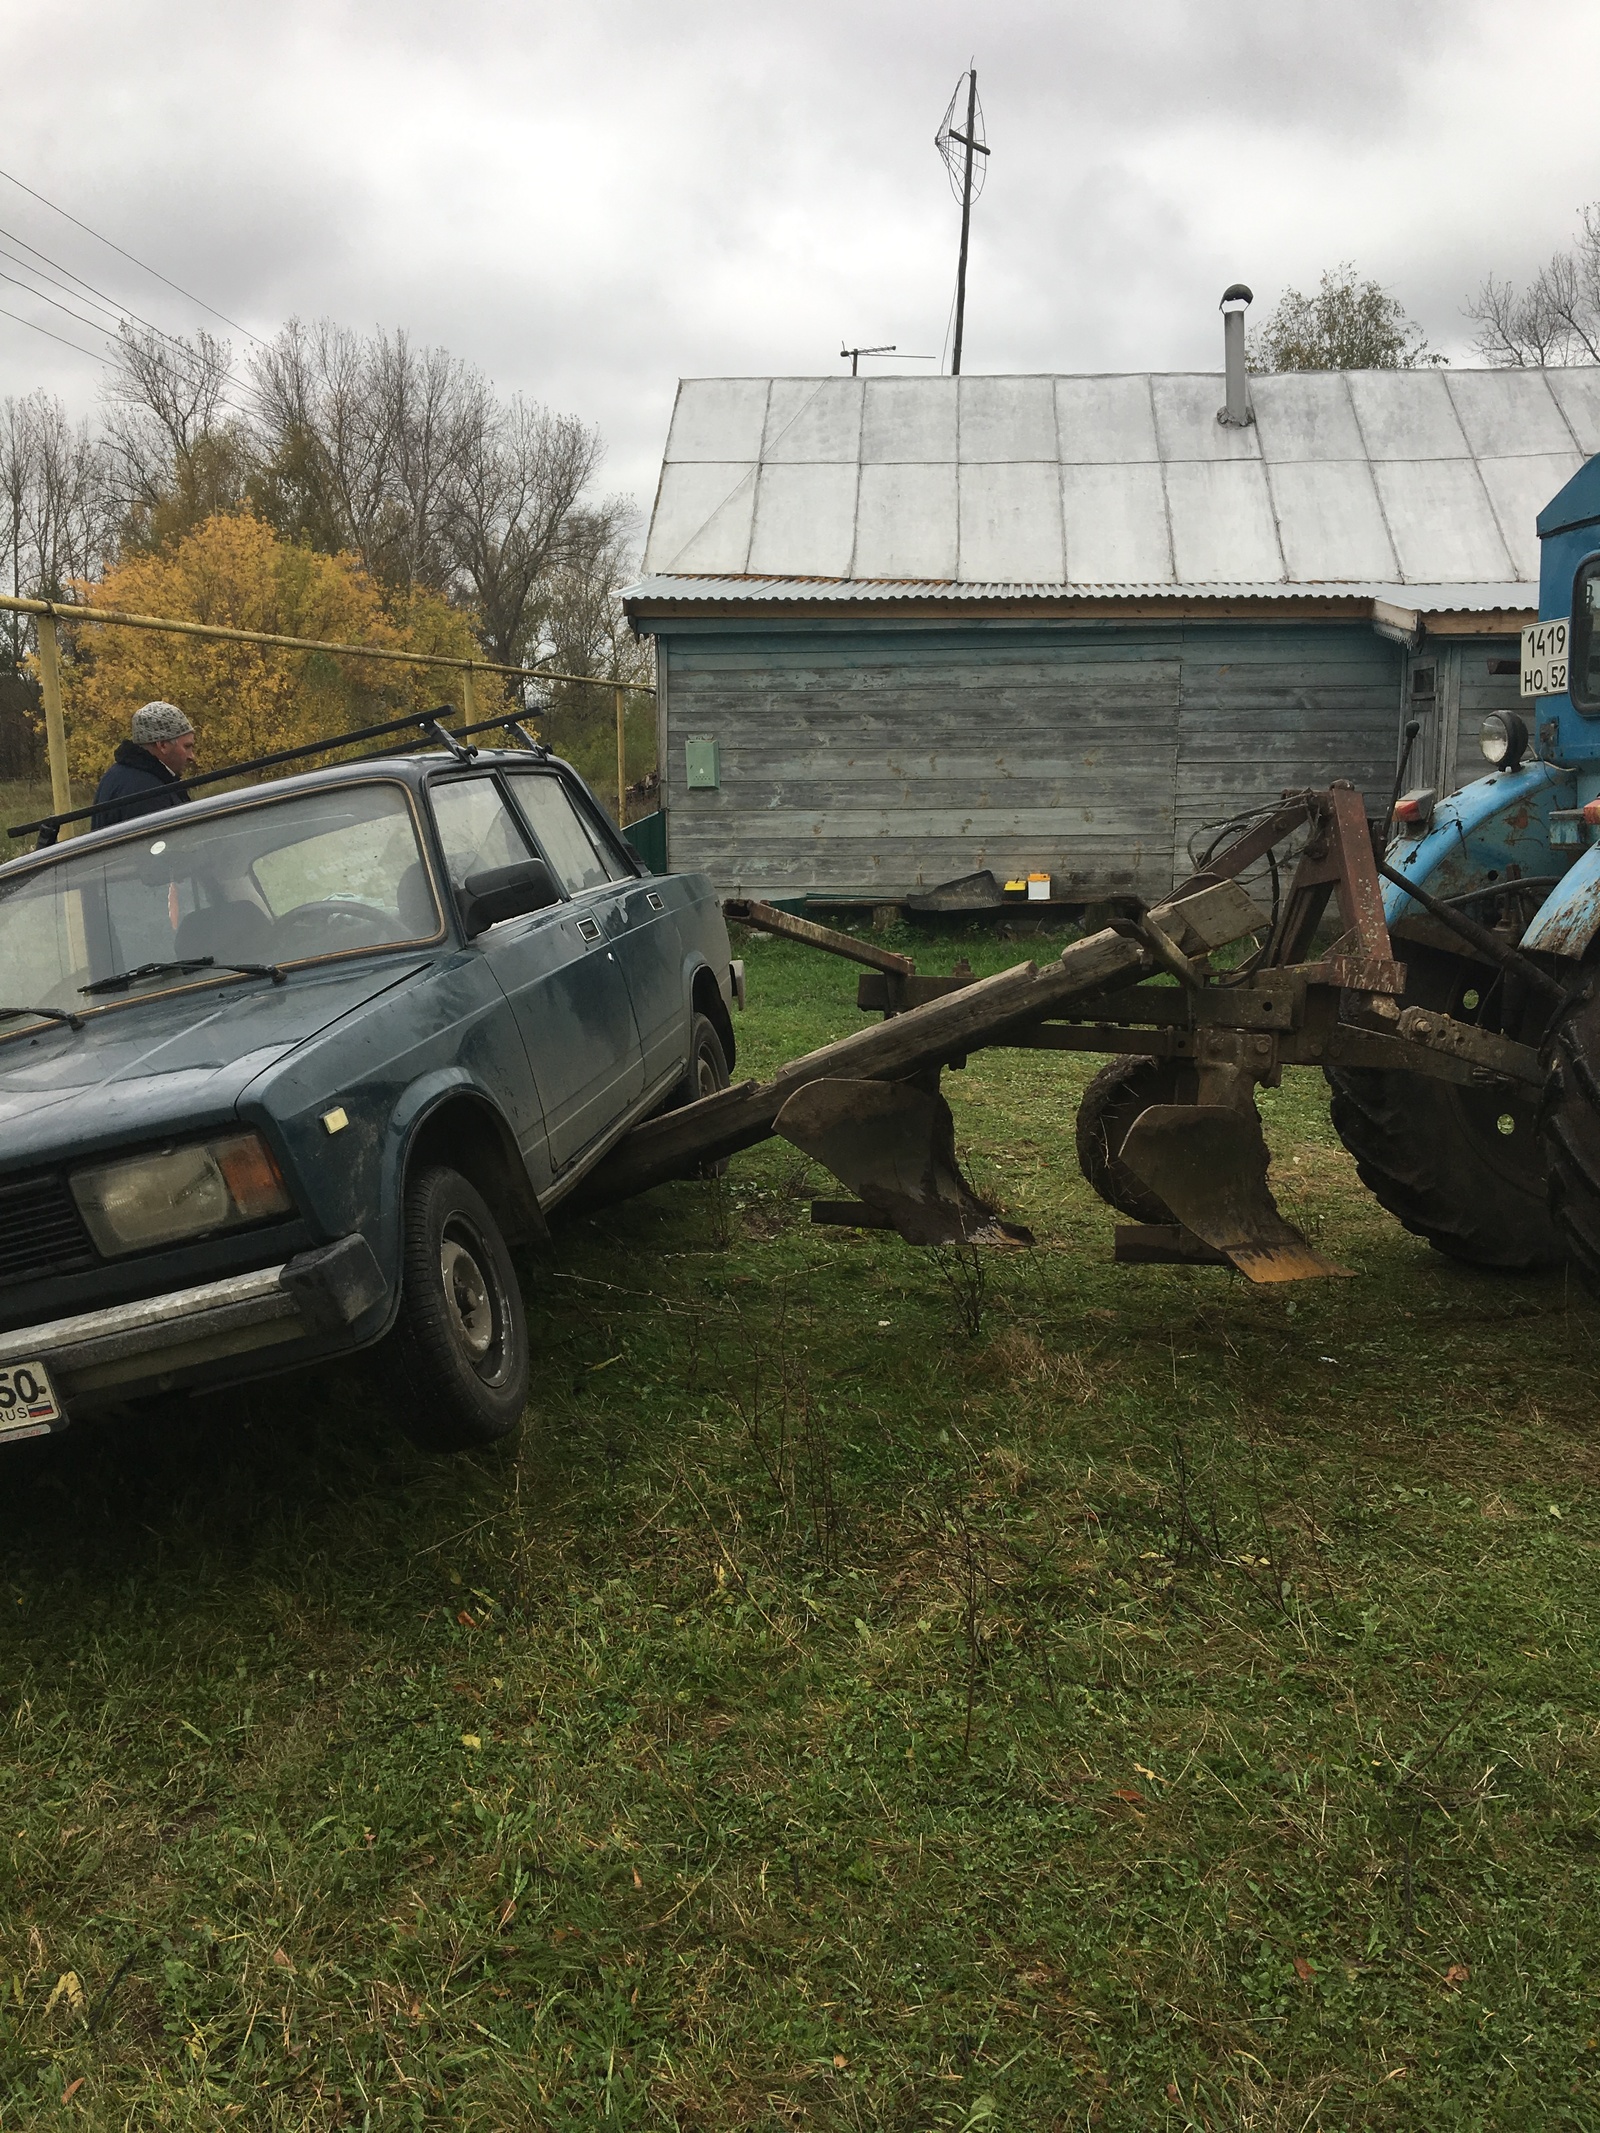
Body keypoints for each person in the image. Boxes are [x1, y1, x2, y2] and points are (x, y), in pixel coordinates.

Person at [91, 702, 198, 830]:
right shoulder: (149, 793)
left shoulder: (115, 777)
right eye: (187, 746)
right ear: (163, 745)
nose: (191, 756)